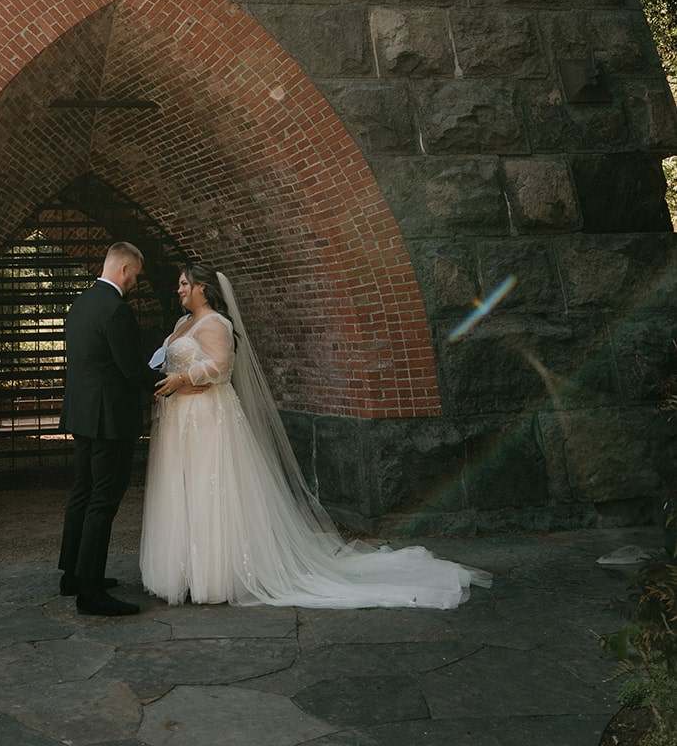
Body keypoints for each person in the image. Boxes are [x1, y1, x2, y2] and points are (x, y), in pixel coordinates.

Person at [140, 261, 492, 610]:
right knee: (181, 489)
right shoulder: (182, 324)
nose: (180, 290)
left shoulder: (216, 323)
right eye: (180, 285)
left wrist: (183, 379)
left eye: (185, 284)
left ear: (203, 287)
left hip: (207, 418)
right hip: (179, 417)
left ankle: (214, 575)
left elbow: (220, 367)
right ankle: (184, 571)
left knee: (208, 489)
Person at [58, 240, 161, 617]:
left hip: (82, 416)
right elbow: (131, 368)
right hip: (109, 420)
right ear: (123, 269)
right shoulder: (116, 311)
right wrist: (167, 381)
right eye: (136, 274)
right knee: (103, 499)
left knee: (83, 492)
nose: (136, 281)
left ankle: (72, 574)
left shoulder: (81, 303)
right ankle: (90, 593)